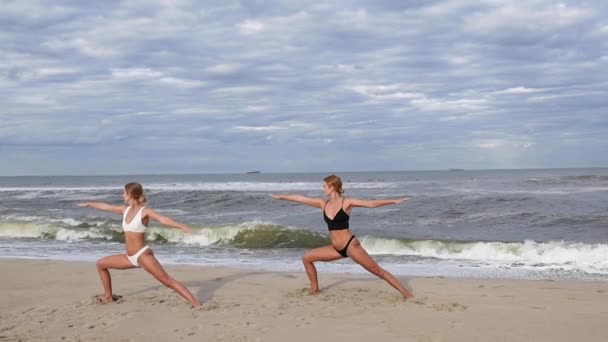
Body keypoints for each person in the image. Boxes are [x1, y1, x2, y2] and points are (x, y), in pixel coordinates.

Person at [272, 174, 413, 299]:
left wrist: (394, 201)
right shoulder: (323, 204)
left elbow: (370, 204)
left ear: (332, 186)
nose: (323, 189)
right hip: (335, 248)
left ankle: (407, 295)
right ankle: (314, 290)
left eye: (324, 186)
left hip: (350, 246)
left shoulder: (347, 202)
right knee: (307, 258)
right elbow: (300, 198)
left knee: (378, 271)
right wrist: (281, 197)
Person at [78, 182, 201, 308]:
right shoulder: (124, 210)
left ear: (130, 194)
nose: (122, 195)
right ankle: (108, 296)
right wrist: (90, 204)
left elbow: (162, 219)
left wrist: (181, 226)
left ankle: (196, 304)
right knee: (101, 264)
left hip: (142, 255)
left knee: (167, 281)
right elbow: (105, 207)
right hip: (129, 257)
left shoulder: (145, 211)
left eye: (123, 193)